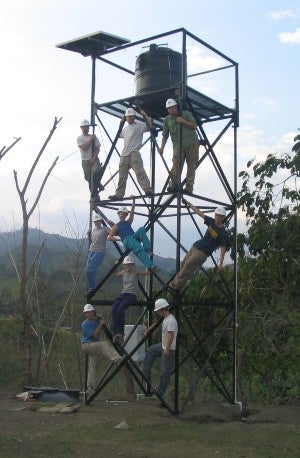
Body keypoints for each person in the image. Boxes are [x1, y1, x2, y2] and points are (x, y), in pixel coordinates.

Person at [167, 201, 229, 294]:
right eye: (216, 215)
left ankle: (173, 286)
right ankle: (178, 287)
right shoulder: (211, 222)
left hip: (202, 253)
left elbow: (223, 248)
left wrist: (220, 263)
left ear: (223, 217)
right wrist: (190, 204)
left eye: (219, 216)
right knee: (184, 265)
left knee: (188, 267)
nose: (217, 217)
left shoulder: (223, 232)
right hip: (196, 246)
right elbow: (200, 213)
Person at [157, 98, 201, 194]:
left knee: (191, 166)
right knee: (176, 165)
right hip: (178, 145)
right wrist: (162, 148)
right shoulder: (167, 120)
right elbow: (165, 135)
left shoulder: (185, 114)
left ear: (176, 107)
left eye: (172, 107)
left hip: (191, 143)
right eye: (169, 108)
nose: (171, 110)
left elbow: (194, 126)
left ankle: (189, 187)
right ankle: (173, 184)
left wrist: (183, 121)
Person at [109, 108, 154, 200]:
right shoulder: (125, 128)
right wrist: (121, 123)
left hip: (134, 153)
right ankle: (119, 194)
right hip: (124, 155)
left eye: (130, 117)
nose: (129, 118)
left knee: (140, 172)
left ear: (134, 117)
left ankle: (148, 189)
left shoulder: (139, 126)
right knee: (122, 176)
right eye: (127, 117)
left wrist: (145, 115)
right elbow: (118, 134)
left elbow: (150, 126)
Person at [108, 197, 159, 272]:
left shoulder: (128, 222)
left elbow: (132, 211)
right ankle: (151, 265)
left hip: (133, 237)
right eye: (121, 214)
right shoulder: (116, 226)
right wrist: (119, 239)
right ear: (119, 214)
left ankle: (147, 249)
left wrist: (134, 200)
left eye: (124, 214)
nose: (123, 215)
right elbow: (109, 237)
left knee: (142, 229)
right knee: (139, 248)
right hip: (127, 240)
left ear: (126, 215)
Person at [81, 303, 122, 393]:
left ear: (93, 312)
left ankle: (90, 387)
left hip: (94, 347)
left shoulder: (96, 321)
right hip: (87, 346)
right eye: (87, 313)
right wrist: (101, 324)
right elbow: (94, 334)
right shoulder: (85, 324)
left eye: (91, 312)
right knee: (104, 344)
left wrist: (101, 317)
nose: (89, 314)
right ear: (85, 314)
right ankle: (117, 359)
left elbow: (104, 325)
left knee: (92, 366)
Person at [143, 298, 178, 397]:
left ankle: (160, 394)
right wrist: (147, 331)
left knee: (164, 373)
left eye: (158, 311)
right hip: (163, 346)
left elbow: (171, 335)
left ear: (163, 309)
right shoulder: (165, 318)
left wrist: (167, 349)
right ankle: (145, 372)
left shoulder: (171, 321)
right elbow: (156, 323)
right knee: (151, 350)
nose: (157, 313)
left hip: (169, 349)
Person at [111, 255, 151, 340]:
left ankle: (121, 332)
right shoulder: (123, 272)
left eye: (129, 264)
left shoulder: (135, 272)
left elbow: (147, 273)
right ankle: (116, 333)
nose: (127, 266)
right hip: (123, 294)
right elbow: (115, 274)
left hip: (132, 295)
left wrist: (151, 266)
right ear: (124, 265)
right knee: (114, 310)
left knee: (120, 310)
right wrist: (115, 265)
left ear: (132, 265)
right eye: (126, 264)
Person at [86, 211, 114, 294]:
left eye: (97, 221)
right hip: (91, 251)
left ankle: (92, 288)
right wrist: (88, 234)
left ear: (100, 221)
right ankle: (91, 287)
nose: (96, 222)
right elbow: (91, 241)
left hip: (99, 252)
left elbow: (114, 233)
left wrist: (112, 224)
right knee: (88, 270)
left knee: (90, 270)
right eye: (95, 221)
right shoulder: (93, 231)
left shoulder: (105, 229)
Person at [77, 119, 104, 203]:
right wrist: (90, 139)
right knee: (88, 178)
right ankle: (97, 189)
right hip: (85, 161)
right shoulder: (80, 138)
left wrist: (94, 158)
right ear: (81, 128)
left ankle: (94, 195)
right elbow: (84, 148)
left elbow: (97, 149)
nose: (86, 128)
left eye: (87, 127)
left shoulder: (94, 137)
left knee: (97, 171)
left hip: (94, 158)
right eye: (84, 127)